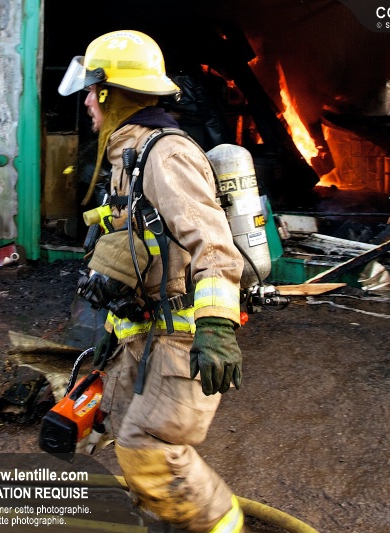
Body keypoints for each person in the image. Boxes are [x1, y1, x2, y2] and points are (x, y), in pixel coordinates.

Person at [59, 31, 247, 532]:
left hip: (177, 339)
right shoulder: (130, 155)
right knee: (124, 429)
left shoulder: (166, 155)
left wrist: (217, 327)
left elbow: (214, 245)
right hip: (142, 336)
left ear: (110, 94)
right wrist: (109, 334)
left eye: (91, 92)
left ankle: (220, 524)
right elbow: (134, 251)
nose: (86, 103)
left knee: (149, 447)